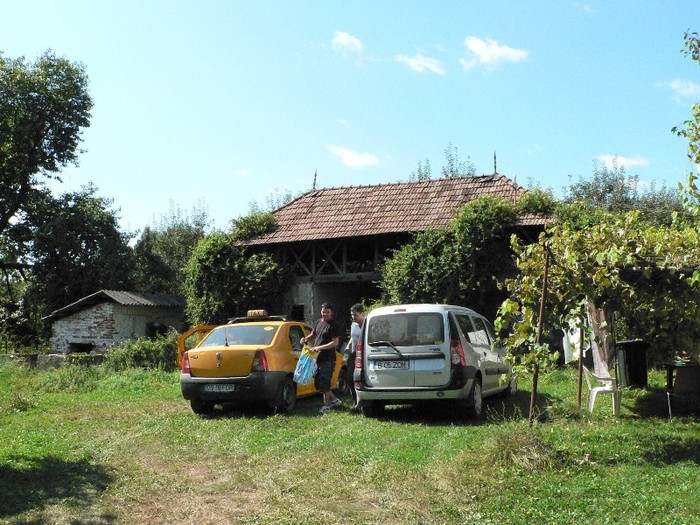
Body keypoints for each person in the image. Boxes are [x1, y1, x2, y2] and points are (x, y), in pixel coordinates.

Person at [301, 302, 343, 413]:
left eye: (327, 312)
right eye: (323, 312)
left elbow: (335, 343)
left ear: (331, 312)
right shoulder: (318, 322)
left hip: (328, 359)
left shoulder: (333, 325)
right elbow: (313, 334)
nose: (325, 314)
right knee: (318, 382)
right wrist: (305, 339)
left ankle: (327, 406)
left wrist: (319, 347)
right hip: (317, 358)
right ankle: (334, 400)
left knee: (325, 382)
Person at [344, 303, 365, 402]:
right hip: (353, 355)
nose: (353, 317)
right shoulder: (353, 325)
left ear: (362, 314)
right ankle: (355, 401)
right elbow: (353, 338)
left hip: (364, 355)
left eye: (355, 315)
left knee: (361, 378)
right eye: (352, 315)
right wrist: (348, 346)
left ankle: (364, 399)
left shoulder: (367, 324)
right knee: (350, 378)